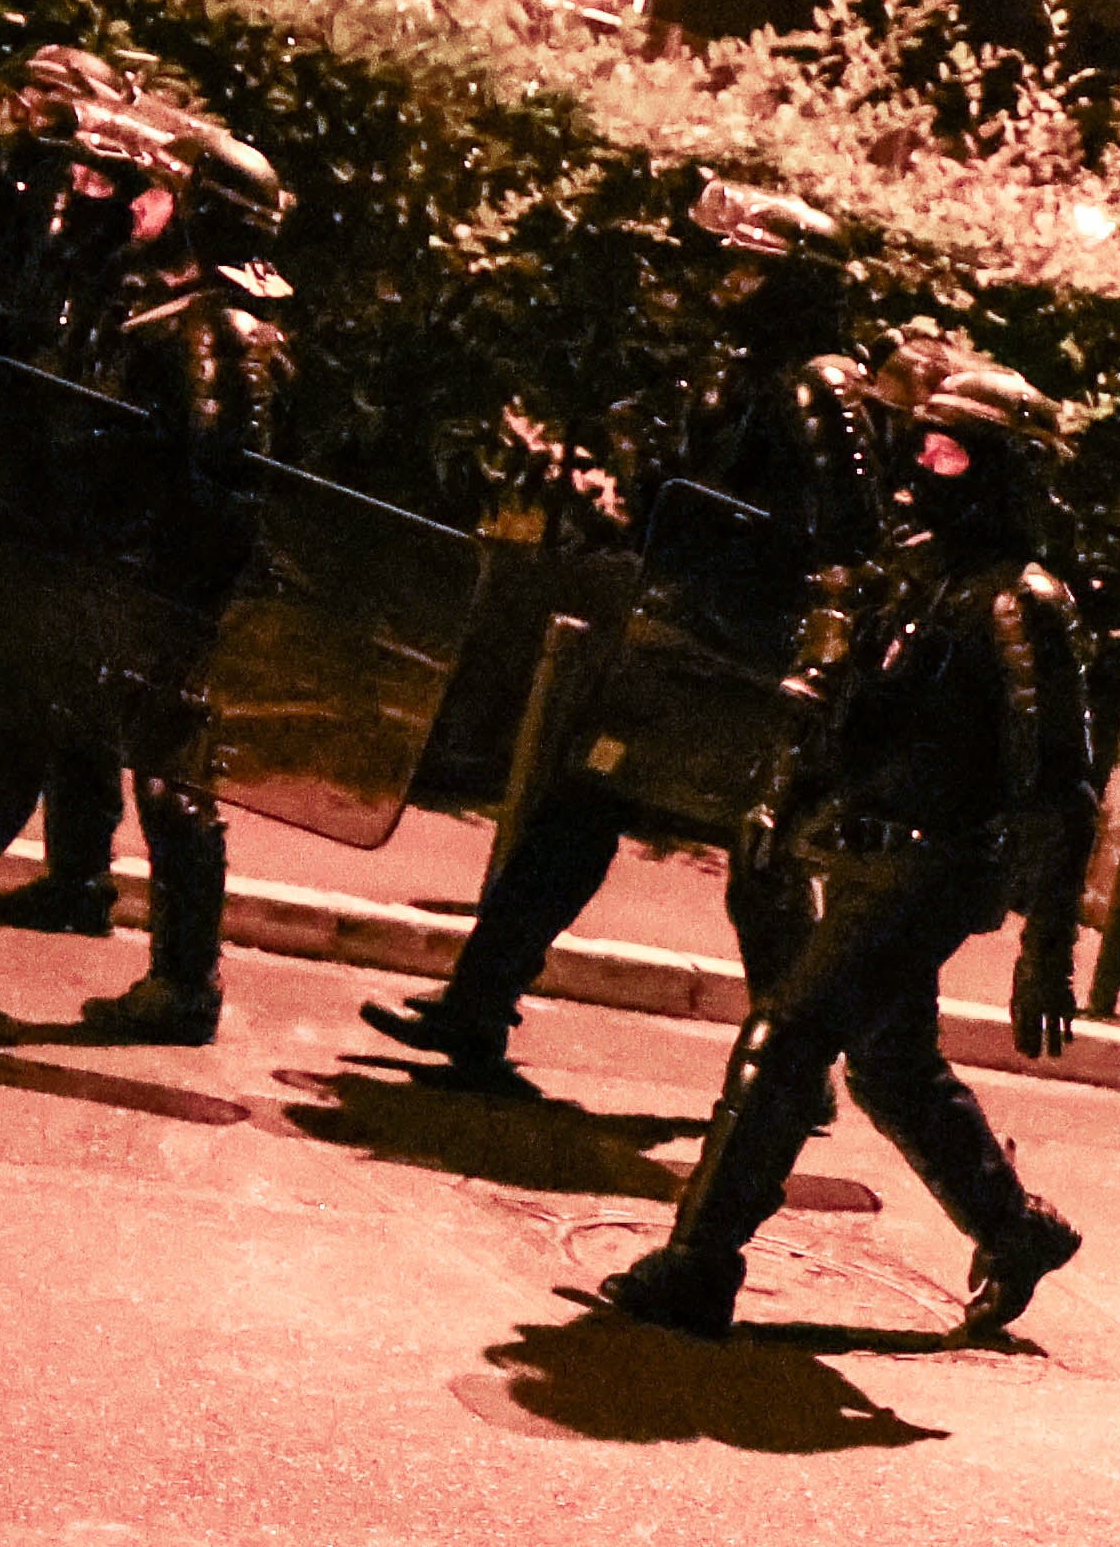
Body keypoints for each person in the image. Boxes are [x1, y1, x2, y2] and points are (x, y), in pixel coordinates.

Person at [584, 364, 1100, 1338]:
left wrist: (1048, 955)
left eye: (950, 450)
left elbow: (1062, 795)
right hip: (871, 848)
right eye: (925, 442)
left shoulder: (1022, 604)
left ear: (1000, 470)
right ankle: (1012, 1228)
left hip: (938, 865)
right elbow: (843, 711)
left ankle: (701, 1263)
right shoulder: (913, 571)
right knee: (891, 1063)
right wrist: (787, 805)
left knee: (789, 1034)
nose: (924, 463)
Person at [363, 177, 894, 1089]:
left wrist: (751, 575)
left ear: (797, 285)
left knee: (755, 855)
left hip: (745, 650)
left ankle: (792, 1070)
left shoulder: (821, 385)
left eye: (751, 270)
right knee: (586, 809)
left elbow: (848, 536)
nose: (728, 282)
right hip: (690, 632)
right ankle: (478, 1007)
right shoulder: (756, 371)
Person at [0, 107, 291, 1037]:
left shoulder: (223, 329)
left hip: (145, 587)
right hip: (117, 575)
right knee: (12, 717)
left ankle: (184, 984)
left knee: (159, 772)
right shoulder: (188, 310)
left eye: (175, 198)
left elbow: (214, 474)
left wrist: (141, 562)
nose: (152, 209)